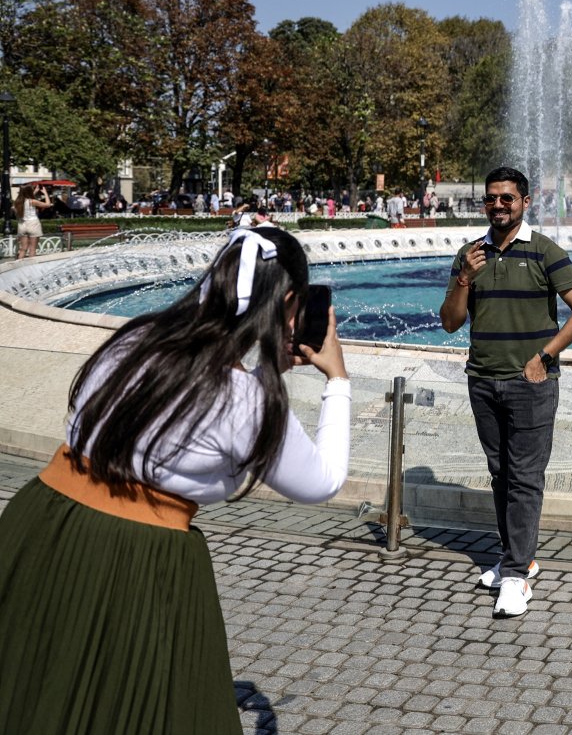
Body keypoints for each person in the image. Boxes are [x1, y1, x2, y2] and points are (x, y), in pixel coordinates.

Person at [0, 226, 351, 732]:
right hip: (136, 556)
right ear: (289, 300)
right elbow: (320, 481)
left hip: (43, 517)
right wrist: (337, 381)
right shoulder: (244, 399)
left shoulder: (137, 338)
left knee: (32, 684)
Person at [440, 167, 572, 618]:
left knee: (525, 478)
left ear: (525, 201)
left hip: (531, 384)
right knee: (501, 475)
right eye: (491, 199)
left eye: (507, 198)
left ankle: (515, 577)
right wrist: (464, 279)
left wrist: (543, 358)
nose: (498, 205)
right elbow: (451, 322)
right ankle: (518, 557)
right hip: (483, 379)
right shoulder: (469, 255)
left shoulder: (545, 252)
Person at [14, 183, 47, 258]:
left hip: (22, 225)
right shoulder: (32, 202)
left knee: (23, 249)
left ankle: (19, 267)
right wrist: (45, 193)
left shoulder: (18, 202)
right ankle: (30, 268)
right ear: (29, 191)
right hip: (33, 224)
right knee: (32, 249)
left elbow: (26, 200)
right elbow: (48, 204)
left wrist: (35, 192)